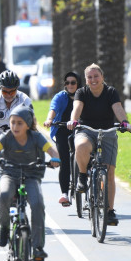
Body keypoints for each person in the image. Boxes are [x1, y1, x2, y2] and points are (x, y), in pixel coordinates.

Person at [0, 105, 61, 260]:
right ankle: (5, 227)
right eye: (13, 122)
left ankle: (37, 247)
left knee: (37, 204)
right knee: (4, 195)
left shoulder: (36, 137)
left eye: (19, 123)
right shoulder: (6, 136)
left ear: (27, 124)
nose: (15, 126)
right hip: (9, 173)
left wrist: (55, 159)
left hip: (32, 175)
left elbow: (52, 150)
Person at [67, 64, 131, 226]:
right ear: (86, 80)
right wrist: (74, 120)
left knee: (109, 173)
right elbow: (77, 107)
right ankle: (82, 176)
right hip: (86, 130)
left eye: (96, 76)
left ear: (102, 77)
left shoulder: (110, 92)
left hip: (108, 131)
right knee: (81, 146)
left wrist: (124, 122)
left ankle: (109, 211)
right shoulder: (82, 92)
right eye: (90, 77)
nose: (93, 79)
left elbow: (117, 108)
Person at [0, 70, 33, 198]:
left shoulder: (24, 99)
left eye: (12, 91)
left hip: (18, 136)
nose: (9, 94)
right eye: (5, 91)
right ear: (0, 88)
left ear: (17, 89)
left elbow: (31, 121)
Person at [43, 71, 83, 206]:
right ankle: (64, 194)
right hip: (62, 130)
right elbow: (53, 109)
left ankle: (87, 174)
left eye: (73, 82)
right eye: (67, 83)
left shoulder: (84, 95)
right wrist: (49, 120)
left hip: (80, 130)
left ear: (78, 83)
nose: (70, 85)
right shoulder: (60, 96)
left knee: (87, 153)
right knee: (64, 161)